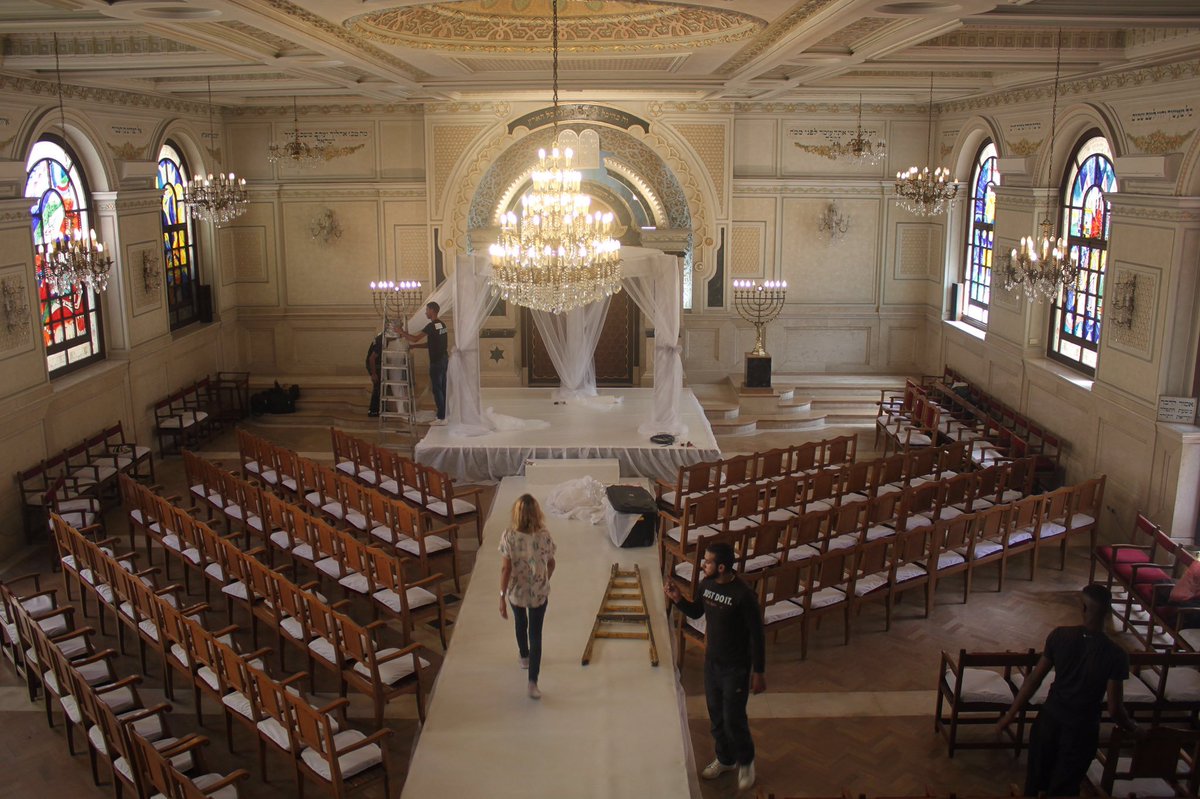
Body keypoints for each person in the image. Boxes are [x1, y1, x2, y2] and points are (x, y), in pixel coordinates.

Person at [996, 584, 1138, 797]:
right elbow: (1115, 709)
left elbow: (1034, 679)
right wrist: (1135, 729)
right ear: (1109, 612)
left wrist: (1011, 714)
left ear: (1083, 608)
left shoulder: (1060, 636)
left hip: (1049, 721)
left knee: (1034, 783)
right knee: (1064, 789)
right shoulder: (1117, 655)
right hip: (1082, 730)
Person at [664, 541, 766, 791]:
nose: (703, 564)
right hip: (713, 664)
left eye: (707, 561)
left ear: (721, 567)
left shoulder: (743, 595)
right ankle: (725, 759)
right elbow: (697, 611)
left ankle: (746, 762)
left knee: (734, 719)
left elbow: (757, 635)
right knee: (716, 717)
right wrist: (678, 599)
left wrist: (759, 672)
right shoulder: (706, 584)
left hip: (736, 668)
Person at [499, 494, 556, 699]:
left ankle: (524, 656)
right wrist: (545, 578)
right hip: (538, 592)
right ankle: (533, 682)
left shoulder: (509, 536)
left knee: (520, 622)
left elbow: (505, 569)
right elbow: (551, 562)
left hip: (516, 591)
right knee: (536, 634)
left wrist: (501, 596)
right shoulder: (544, 535)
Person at [401, 301, 449, 425]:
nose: (425, 312)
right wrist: (415, 347)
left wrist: (400, 332)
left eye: (427, 310)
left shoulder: (431, 326)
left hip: (437, 362)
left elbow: (415, 338)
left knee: (437, 389)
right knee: (443, 387)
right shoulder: (442, 325)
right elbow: (432, 344)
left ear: (432, 310)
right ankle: (444, 412)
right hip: (444, 359)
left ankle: (441, 417)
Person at [364, 331, 384, 417]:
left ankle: (380, 408)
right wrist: (374, 374)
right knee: (378, 386)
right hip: (374, 365)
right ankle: (373, 411)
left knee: (381, 385)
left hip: (377, 364)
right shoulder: (381, 341)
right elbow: (371, 358)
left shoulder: (382, 337)